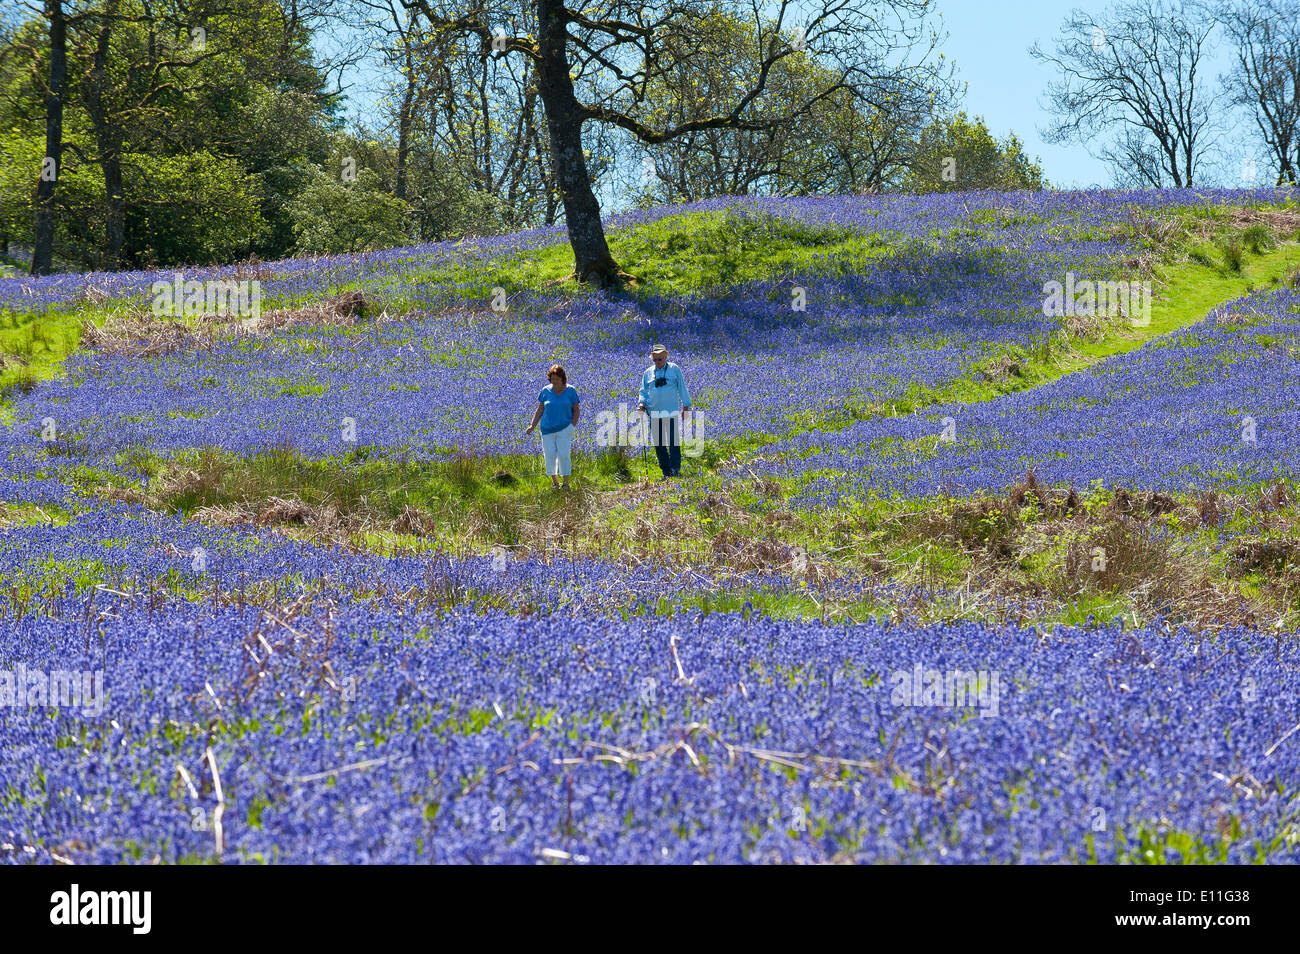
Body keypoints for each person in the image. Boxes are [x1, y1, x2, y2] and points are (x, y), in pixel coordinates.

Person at [637, 343, 692, 479]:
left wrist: (686, 406)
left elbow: (682, 388)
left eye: (660, 359)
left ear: (666, 356)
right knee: (659, 444)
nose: (657, 362)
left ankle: (675, 469)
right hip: (654, 412)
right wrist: (642, 404)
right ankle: (666, 472)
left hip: (671, 411)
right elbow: (643, 391)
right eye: (655, 360)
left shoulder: (674, 369)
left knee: (673, 442)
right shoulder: (648, 373)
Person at [525, 364, 580, 490]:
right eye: (552, 379)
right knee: (549, 455)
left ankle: (566, 483)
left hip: (565, 428)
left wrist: (572, 426)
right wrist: (532, 425)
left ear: (562, 379)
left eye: (557, 379)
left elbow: (576, 410)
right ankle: (555, 483)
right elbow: (540, 409)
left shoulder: (570, 391)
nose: (554, 381)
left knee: (563, 454)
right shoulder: (545, 391)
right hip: (547, 429)